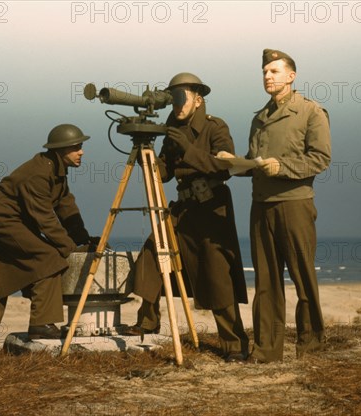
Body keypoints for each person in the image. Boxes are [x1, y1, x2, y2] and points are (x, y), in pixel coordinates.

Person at [126, 72, 249, 363]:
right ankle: (147, 321)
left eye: (182, 97)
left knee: (218, 277)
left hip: (211, 209)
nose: (177, 104)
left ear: (198, 99)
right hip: (183, 209)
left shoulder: (214, 127)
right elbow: (166, 174)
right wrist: (149, 157)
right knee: (152, 252)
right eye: (173, 97)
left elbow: (223, 168)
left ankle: (234, 345)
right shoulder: (172, 128)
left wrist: (187, 149)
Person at [222, 49, 331, 363]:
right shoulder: (259, 118)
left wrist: (280, 167)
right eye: (264, 72)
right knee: (266, 282)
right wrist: (234, 164)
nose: (267, 76)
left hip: (295, 206)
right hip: (261, 207)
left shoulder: (311, 112)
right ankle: (267, 351)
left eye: (274, 71)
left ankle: (310, 348)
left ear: (291, 76)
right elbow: (257, 160)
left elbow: (320, 159)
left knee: (303, 279)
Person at [0, 124, 99, 355]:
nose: (82, 152)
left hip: (11, 217)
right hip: (2, 218)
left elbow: (64, 205)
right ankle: (41, 325)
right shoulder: (39, 174)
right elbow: (45, 219)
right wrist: (70, 249)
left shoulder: (55, 169)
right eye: (77, 147)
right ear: (61, 149)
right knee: (49, 258)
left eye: (81, 146)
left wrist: (83, 238)